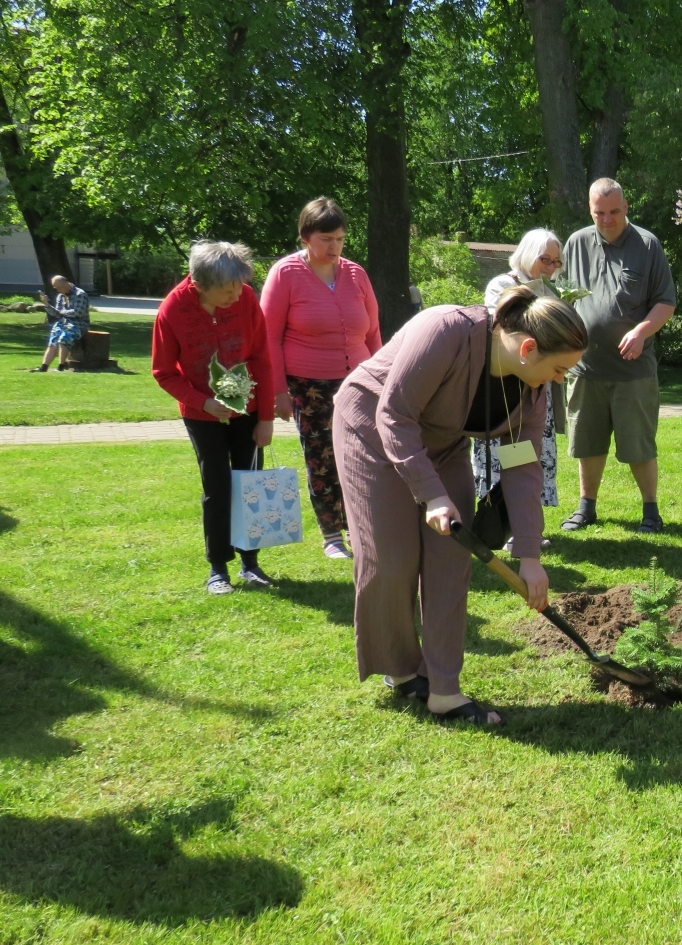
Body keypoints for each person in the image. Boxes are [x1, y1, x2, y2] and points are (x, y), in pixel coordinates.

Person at [332, 290, 587, 726]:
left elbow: (522, 467)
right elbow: (393, 415)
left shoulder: (531, 389)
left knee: (450, 560)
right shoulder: (445, 330)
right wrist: (431, 494)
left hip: (443, 447)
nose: (560, 379)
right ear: (528, 349)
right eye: (560, 368)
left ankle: (443, 689)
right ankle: (401, 669)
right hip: (371, 432)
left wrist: (529, 556)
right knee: (392, 560)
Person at [260, 197, 382, 560]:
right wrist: (279, 391)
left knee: (362, 456)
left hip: (358, 382)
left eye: (340, 239)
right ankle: (331, 535)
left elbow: (373, 332)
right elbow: (268, 336)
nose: (334, 247)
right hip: (308, 385)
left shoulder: (357, 274)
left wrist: (381, 380)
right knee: (322, 459)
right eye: (326, 238)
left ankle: (362, 528)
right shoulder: (285, 273)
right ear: (305, 237)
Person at [151, 241, 275, 595]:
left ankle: (251, 563)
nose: (236, 293)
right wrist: (201, 402)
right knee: (217, 487)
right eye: (227, 288)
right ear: (200, 283)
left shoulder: (247, 298)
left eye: (239, 284)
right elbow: (163, 372)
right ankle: (218, 569)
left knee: (248, 484)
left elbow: (263, 358)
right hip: (202, 414)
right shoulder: (172, 310)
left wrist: (264, 418)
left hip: (246, 411)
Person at [559, 178, 677, 534]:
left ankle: (651, 512)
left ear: (626, 206)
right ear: (590, 210)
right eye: (599, 213)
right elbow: (560, 297)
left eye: (613, 211)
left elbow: (665, 301)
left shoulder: (646, 244)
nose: (607, 219)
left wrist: (642, 331)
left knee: (639, 443)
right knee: (587, 441)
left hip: (633, 369)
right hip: (585, 366)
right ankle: (585, 507)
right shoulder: (576, 243)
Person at [477, 228, 565, 516]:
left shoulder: (554, 290)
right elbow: (498, 326)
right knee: (501, 452)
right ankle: (495, 516)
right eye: (545, 259)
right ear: (528, 255)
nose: (551, 268)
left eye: (556, 261)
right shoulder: (502, 283)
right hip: (503, 386)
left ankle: (525, 519)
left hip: (537, 384)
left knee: (529, 452)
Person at [32, 276, 90, 372]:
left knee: (64, 338)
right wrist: (46, 304)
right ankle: (44, 367)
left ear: (66, 284)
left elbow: (78, 312)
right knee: (53, 340)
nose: (57, 290)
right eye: (55, 288)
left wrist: (62, 312)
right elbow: (57, 314)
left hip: (78, 324)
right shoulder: (61, 296)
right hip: (63, 322)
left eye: (58, 287)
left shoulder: (80, 294)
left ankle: (61, 367)